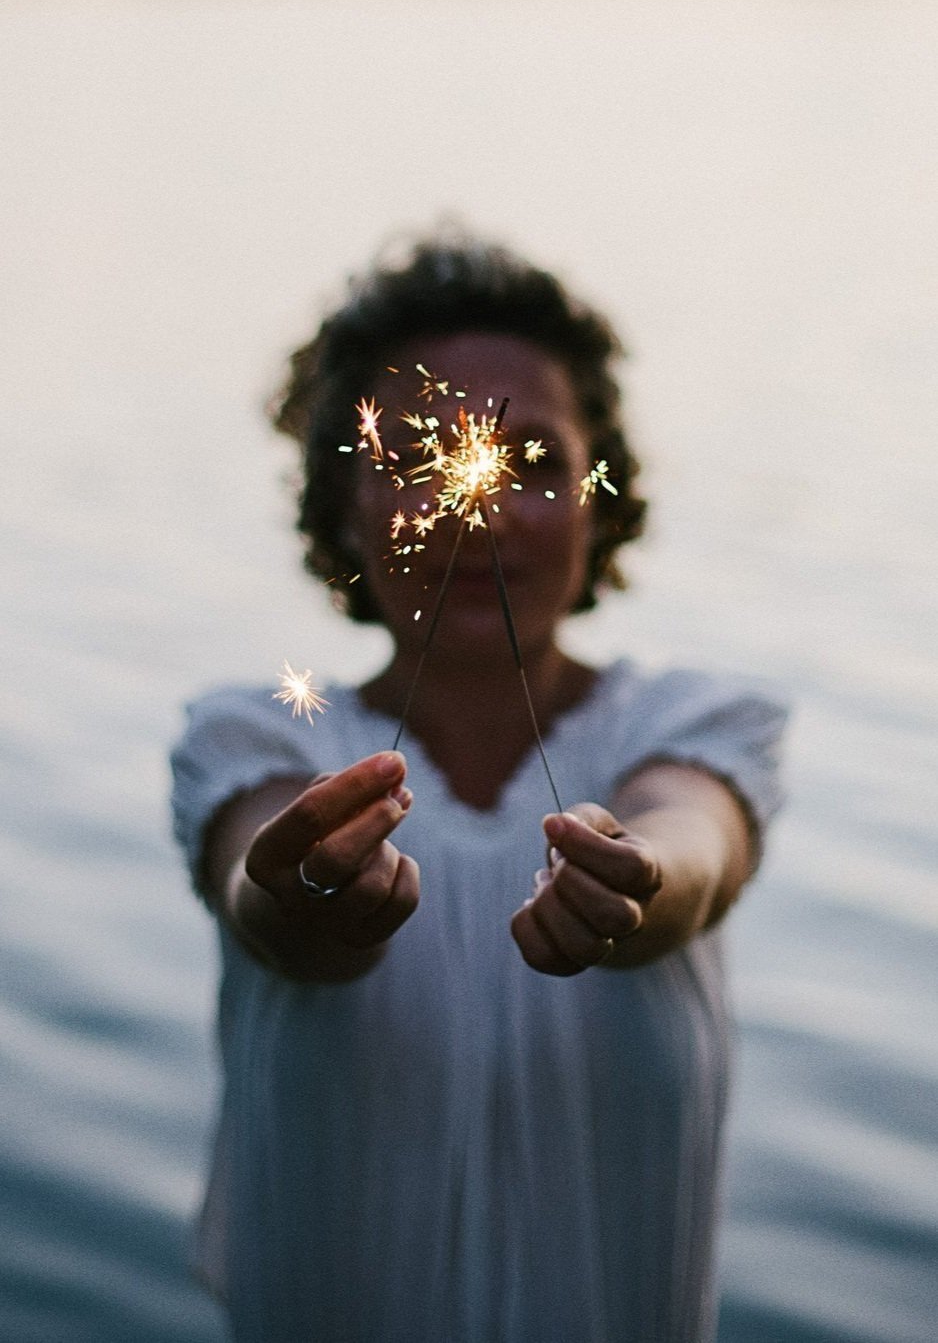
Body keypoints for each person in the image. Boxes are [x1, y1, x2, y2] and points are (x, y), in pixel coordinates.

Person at [170, 235, 787, 1343]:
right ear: (340, 498)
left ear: (603, 496)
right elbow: (263, 895)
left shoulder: (694, 725)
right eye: (417, 456)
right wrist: (306, 894)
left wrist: (639, 885)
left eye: (536, 461)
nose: (480, 507)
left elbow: (693, 843)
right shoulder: (250, 737)